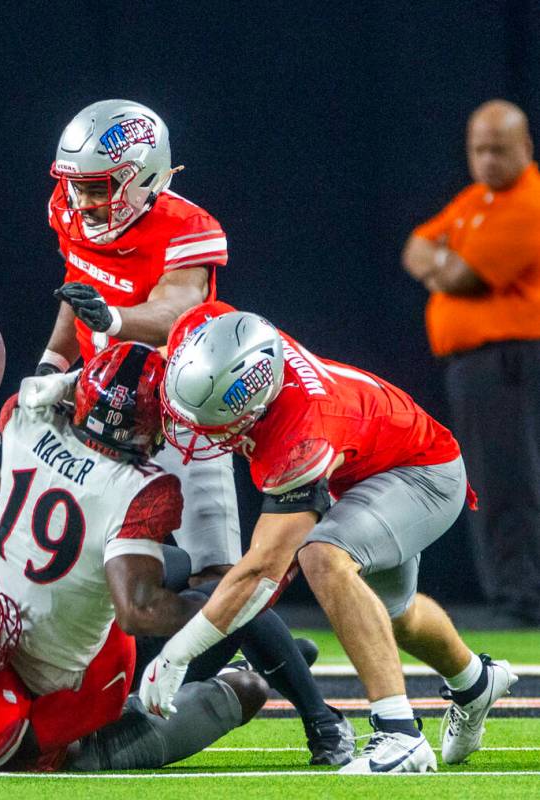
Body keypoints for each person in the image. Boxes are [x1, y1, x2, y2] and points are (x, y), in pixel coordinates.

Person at [39, 99, 352, 763]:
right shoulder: (70, 211)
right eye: (74, 184)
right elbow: (78, 290)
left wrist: (116, 322)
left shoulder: (187, 226)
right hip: (104, 422)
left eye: (97, 185)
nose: (83, 200)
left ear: (143, 175)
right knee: (71, 568)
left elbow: (180, 308)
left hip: (182, 414)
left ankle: (323, 720)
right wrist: (51, 365)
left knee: (221, 580)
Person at [137, 301, 518, 773]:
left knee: (322, 556)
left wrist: (179, 650)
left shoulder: (303, 436)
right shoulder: (218, 330)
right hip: (371, 463)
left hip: (423, 475)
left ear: (256, 404)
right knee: (391, 615)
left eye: (214, 422)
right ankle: (476, 682)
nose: (196, 432)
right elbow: (189, 327)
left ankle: (400, 737)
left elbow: (263, 569)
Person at [0, 343, 268, 772]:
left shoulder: (30, 421)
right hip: (77, 672)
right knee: (244, 676)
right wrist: (225, 609)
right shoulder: (136, 485)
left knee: (188, 575)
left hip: (11, 600)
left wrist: (34, 412)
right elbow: (139, 612)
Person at [402, 99, 540, 625]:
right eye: (478, 150)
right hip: (478, 364)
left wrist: (443, 264)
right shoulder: (474, 199)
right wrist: (442, 260)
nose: (487, 161)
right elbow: (416, 246)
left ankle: (522, 597)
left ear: (525, 148)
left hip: (510, 360)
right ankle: (515, 588)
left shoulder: (528, 204)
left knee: (510, 479)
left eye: (499, 151)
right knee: (493, 476)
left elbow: (463, 278)